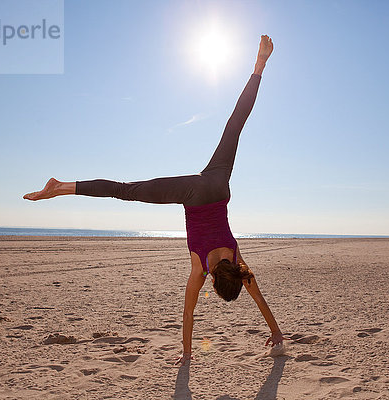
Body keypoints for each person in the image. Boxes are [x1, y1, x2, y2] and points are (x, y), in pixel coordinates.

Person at [24, 35, 286, 366]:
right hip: (192, 194)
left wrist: (277, 333)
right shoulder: (200, 269)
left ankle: (259, 65)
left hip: (218, 186)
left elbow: (259, 300)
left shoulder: (237, 260)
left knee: (234, 127)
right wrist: (187, 355)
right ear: (215, 283)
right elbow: (188, 313)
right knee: (125, 190)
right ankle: (61, 187)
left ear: (230, 273)